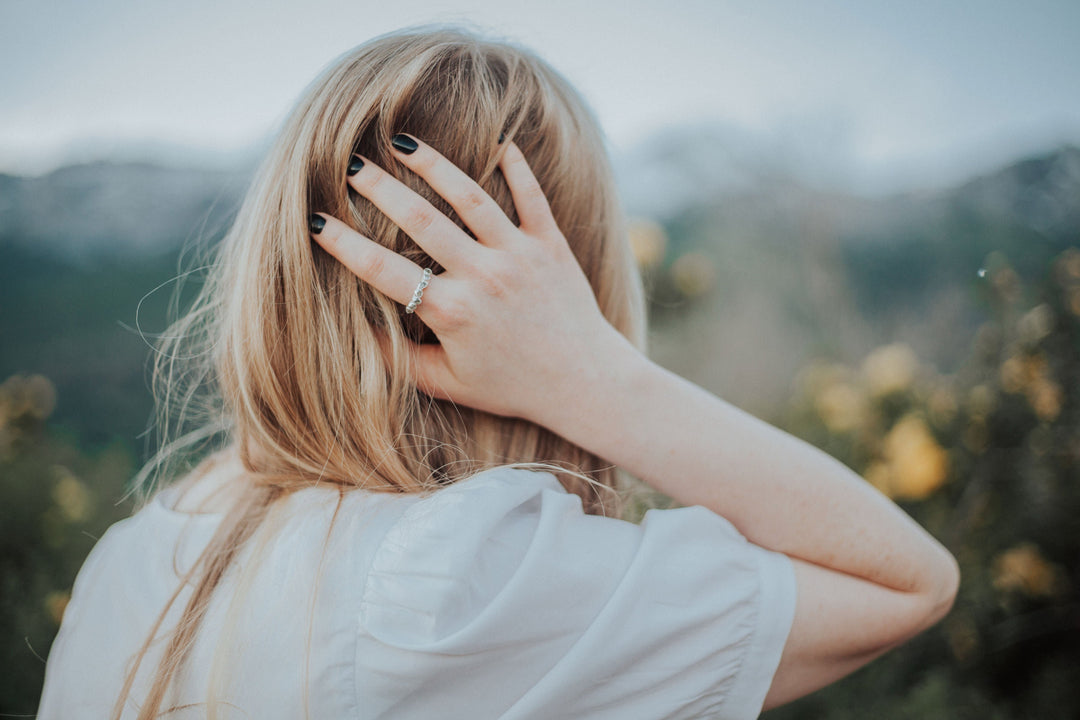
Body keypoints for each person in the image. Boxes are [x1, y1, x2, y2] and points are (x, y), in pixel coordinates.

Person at [37, 27, 959, 720]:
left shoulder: (131, 559)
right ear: (575, 292)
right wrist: (597, 378)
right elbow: (906, 582)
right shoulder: (466, 586)